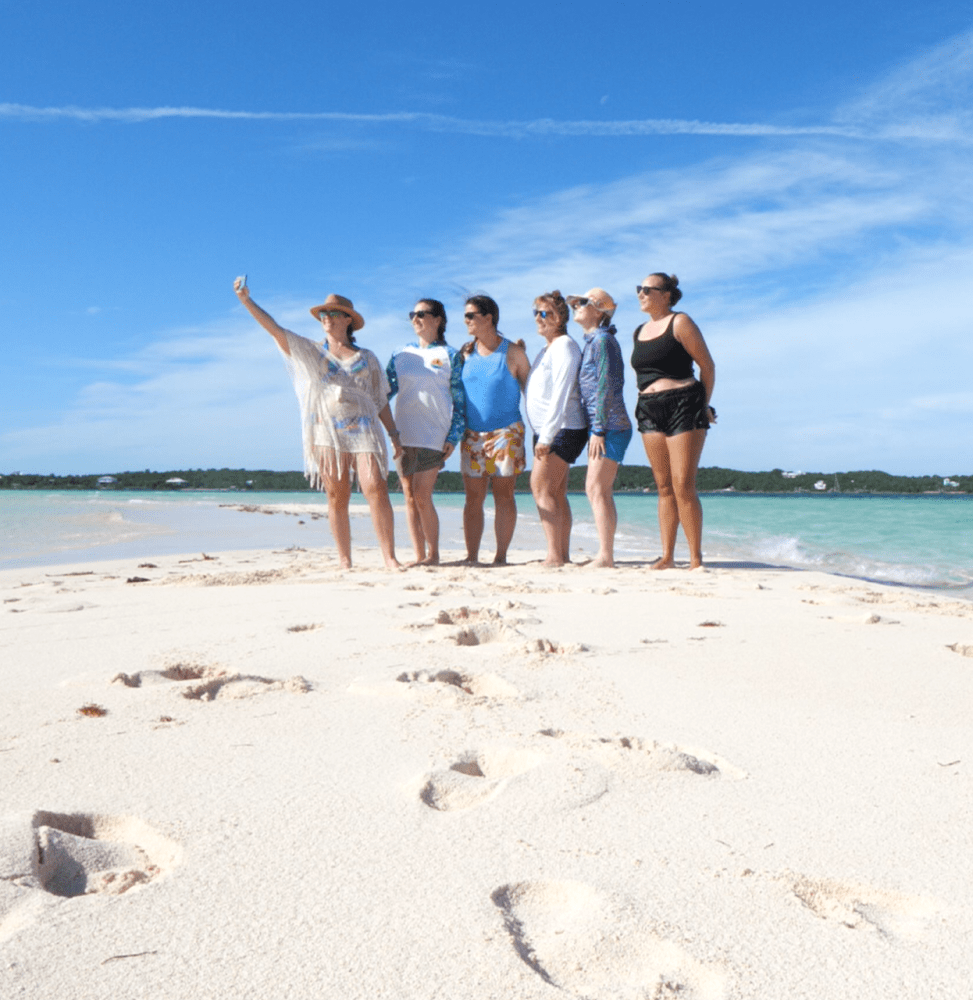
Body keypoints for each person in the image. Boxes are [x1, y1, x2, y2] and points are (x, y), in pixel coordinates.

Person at [234, 278, 401, 570]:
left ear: (348, 319)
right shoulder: (312, 352)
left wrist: (395, 435)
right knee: (337, 495)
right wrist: (247, 301)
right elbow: (275, 329)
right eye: (323, 314)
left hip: (364, 429)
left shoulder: (368, 357)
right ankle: (345, 560)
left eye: (333, 313)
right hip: (326, 431)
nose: (326, 318)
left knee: (376, 486)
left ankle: (389, 557)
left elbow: (380, 399)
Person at [632, 273, 716, 569]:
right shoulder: (639, 330)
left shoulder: (680, 322)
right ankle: (667, 555)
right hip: (649, 407)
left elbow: (707, 366)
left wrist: (703, 405)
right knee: (663, 486)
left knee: (683, 485)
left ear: (666, 294)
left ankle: (695, 558)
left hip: (684, 404)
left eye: (647, 289)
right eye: (638, 288)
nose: (640, 293)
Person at [386, 299, 466, 565]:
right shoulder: (400, 354)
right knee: (409, 496)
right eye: (413, 314)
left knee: (423, 495)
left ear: (438, 320)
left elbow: (461, 400)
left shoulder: (451, 355)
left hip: (435, 435)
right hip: (403, 434)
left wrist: (454, 436)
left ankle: (434, 555)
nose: (415, 319)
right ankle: (419, 555)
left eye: (422, 314)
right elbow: (383, 392)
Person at [459, 294, 530, 565]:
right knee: (472, 497)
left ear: (488, 318)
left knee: (504, 494)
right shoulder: (465, 353)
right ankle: (472, 556)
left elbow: (532, 395)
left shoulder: (513, 353)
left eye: (470, 315)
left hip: (506, 431)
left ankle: (500, 556)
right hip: (472, 433)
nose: (466, 320)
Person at [567, 287, 633, 567]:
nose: (576, 307)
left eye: (582, 303)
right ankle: (605, 553)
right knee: (596, 489)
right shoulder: (593, 341)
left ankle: (606, 555)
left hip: (610, 427)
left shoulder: (603, 340)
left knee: (596, 488)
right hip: (605, 426)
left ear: (598, 309)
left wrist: (598, 429)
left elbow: (608, 386)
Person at [525, 290, 588, 567]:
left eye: (546, 313)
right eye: (536, 313)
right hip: (549, 430)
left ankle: (554, 555)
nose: (539, 318)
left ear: (560, 317)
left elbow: (562, 393)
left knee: (541, 489)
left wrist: (547, 436)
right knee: (555, 492)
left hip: (562, 428)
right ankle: (561, 554)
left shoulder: (564, 346)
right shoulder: (546, 349)